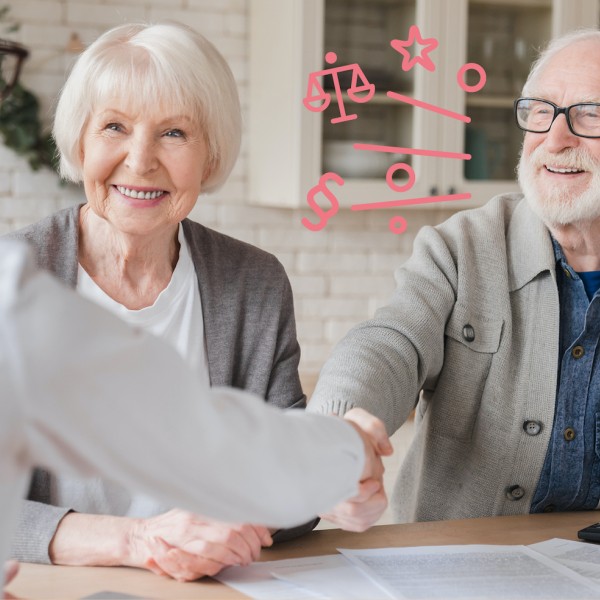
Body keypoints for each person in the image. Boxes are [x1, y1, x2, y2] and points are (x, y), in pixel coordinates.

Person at [3, 21, 353, 579]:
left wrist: (325, 473)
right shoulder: (13, 280)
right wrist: (139, 539)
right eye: (114, 126)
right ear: (80, 141)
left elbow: (290, 484)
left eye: (174, 134)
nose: (140, 161)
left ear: (210, 156)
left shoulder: (254, 283)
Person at [309, 28, 600, 530]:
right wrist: (337, 428)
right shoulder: (463, 247)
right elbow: (391, 341)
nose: (555, 139)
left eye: (591, 114)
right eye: (540, 111)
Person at [0, 237, 391, 590]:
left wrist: (327, 485)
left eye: (175, 148)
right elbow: (185, 432)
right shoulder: (19, 290)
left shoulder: (254, 279)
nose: (140, 162)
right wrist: (346, 455)